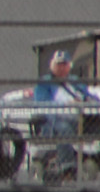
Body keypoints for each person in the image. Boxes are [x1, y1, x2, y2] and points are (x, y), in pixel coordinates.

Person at [34, 50, 92, 181]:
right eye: (58, 64)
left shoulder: (74, 81)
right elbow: (42, 104)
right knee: (64, 128)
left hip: (78, 118)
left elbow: (88, 95)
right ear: (52, 66)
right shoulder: (45, 83)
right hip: (53, 121)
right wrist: (66, 104)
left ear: (69, 66)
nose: (61, 68)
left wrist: (86, 101)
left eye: (64, 64)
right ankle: (68, 167)